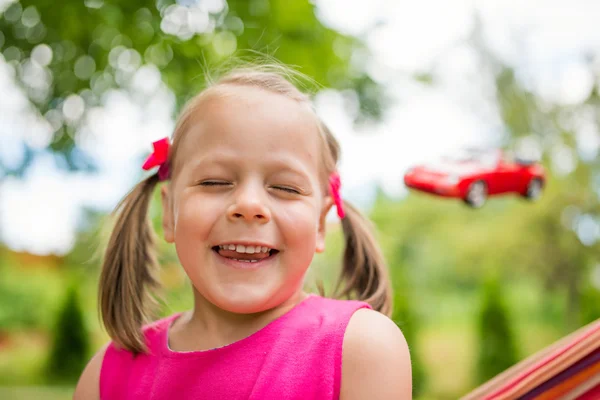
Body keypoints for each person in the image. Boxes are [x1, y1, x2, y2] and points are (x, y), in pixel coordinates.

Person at [74, 64, 412, 400]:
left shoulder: (361, 349)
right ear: (169, 213)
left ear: (321, 224)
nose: (249, 205)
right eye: (215, 182)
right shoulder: (106, 376)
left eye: (285, 188)